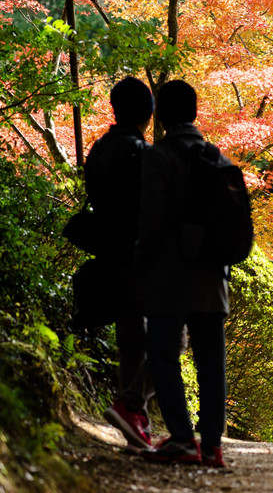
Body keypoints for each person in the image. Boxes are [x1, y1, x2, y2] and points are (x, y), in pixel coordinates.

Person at [136, 80, 230, 467]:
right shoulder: (216, 157)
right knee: (211, 360)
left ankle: (181, 438)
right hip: (212, 274)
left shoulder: (159, 157)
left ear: (160, 114)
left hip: (170, 273)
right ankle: (213, 446)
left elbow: (151, 218)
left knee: (162, 352)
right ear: (194, 112)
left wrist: (140, 263)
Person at [84, 76, 155, 450]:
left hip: (107, 254)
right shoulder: (139, 152)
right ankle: (131, 407)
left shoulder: (100, 149)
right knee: (168, 339)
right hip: (139, 257)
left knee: (131, 339)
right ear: (148, 113)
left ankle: (134, 421)